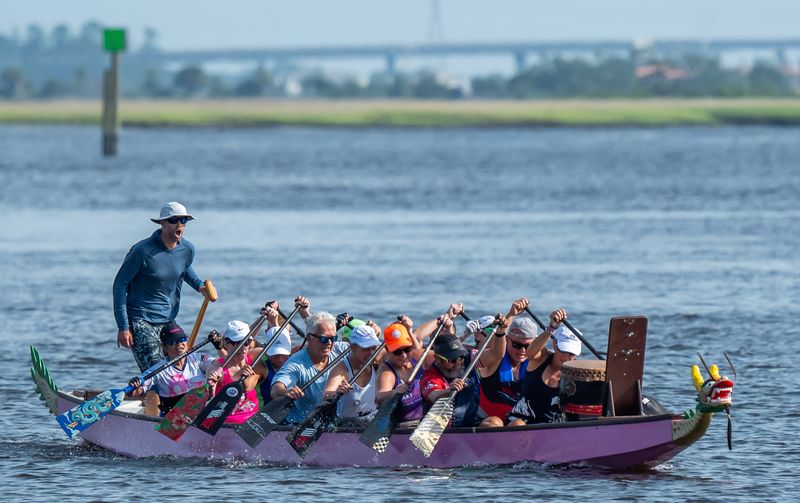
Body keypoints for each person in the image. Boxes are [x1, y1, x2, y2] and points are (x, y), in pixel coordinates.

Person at [113, 201, 210, 372]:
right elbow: (120, 285)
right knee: (157, 372)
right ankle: (151, 396)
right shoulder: (142, 251)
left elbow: (185, 270)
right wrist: (123, 327)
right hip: (142, 320)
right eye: (174, 220)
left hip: (168, 318)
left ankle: (180, 397)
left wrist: (201, 287)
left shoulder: (187, 249)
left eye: (184, 220)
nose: (179, 224)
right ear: (162, 223)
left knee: (181, 366)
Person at [419, 315, 504, 428]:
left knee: (495, 422)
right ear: (437, 358)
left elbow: (496, 354)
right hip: (442, 430)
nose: (458, 362)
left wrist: (500, 333)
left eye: (460, 357)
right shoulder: (430, 376)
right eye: (452, 359)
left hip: (469, 423)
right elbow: (434, 396)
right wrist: (449, 391)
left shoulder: (470, 359)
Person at [270, 310, 349, 424]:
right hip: (301, 425)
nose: (329, 343)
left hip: (331, 421)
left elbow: (369, 352)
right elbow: (276, 390)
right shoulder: (296, 363)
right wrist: (286, 392)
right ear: (309, 338)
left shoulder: (340, 349)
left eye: (333, 338)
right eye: (323, 339)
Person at [127, 322, 217, 416]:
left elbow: (219, 364)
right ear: (164, 347)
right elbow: (135, 392)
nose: (179, 344)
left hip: (200, 412)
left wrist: (219, 346)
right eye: (173, 341)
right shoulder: (157, 371)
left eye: (182, 339)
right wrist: (134, 385)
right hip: (173, 421)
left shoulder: (198, 359)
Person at [507, 309, 580, 426]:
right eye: (564, 350)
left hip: (551, 427)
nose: (567, 357)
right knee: (519, 425)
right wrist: (552, 327)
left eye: (572, 353)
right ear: (555, 344)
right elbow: (530, 353)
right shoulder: (542, 358)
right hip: (521, 421)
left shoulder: (578, 374)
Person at [470, 298, 538, 423]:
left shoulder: (536, 362)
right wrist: (510, 316)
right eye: (517, 345)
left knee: (518, 423)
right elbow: (496, 349)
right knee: (496, 422)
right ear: (507, 340)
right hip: (487, 421)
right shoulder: (495, 358)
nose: (523, 350)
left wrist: (552, 327)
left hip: (519, 422)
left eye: (528, 346)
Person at [203, 319, 262, 425]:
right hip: (226, 424)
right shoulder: (216, 368)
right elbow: (209, 406)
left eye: (246, 342)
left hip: (252, 422)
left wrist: (272, 320)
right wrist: (212, 389)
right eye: (237, 343)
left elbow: (279, 355)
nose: (243, 348)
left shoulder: (254, 356)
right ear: (226, 343)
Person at [323, 324, 383, 425]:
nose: (371, 353)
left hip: (373, 423)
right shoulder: (341, 370)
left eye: (373, 348)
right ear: (352, 347)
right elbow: (327, 393)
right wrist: (337, 391)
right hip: (347, 426)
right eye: (366, 348)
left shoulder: (378, 363)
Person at [375, 316, 426, 424]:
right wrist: (395, 392)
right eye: (397, 351)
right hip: (401, 425)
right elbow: (379, 398)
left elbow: (443, 356)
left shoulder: (418, 356)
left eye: (407, 349)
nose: (403, 355)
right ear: (388, 350)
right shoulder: (386, 372)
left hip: (423, 423)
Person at [255, 304, 294, 407]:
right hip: (265, 414)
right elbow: (245, 340)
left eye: (283, 354)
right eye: (275, 355)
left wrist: (306, 313)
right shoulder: (260, 360)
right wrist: (264, 318)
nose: (280, 359)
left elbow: (315, 342)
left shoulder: (296, 355)